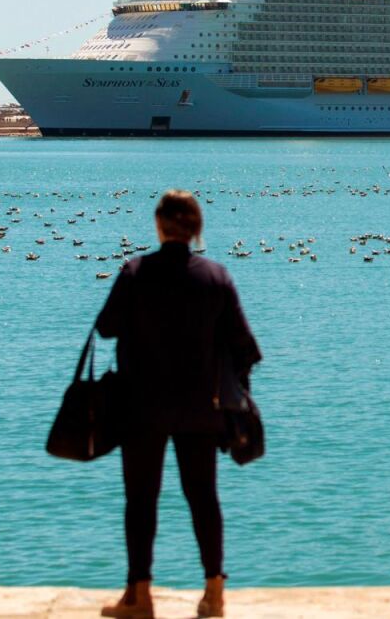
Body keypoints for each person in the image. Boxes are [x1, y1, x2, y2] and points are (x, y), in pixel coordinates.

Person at [96, 190, 261, 619]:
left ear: (159, 225)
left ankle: (140, 596)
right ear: (196, 228)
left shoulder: (136, 272)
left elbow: (106, 328)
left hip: (142, 405)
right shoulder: (215, 277)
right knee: (203, 497)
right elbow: (245, 346)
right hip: (200, 406)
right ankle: (214, 592)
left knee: (141, 500)